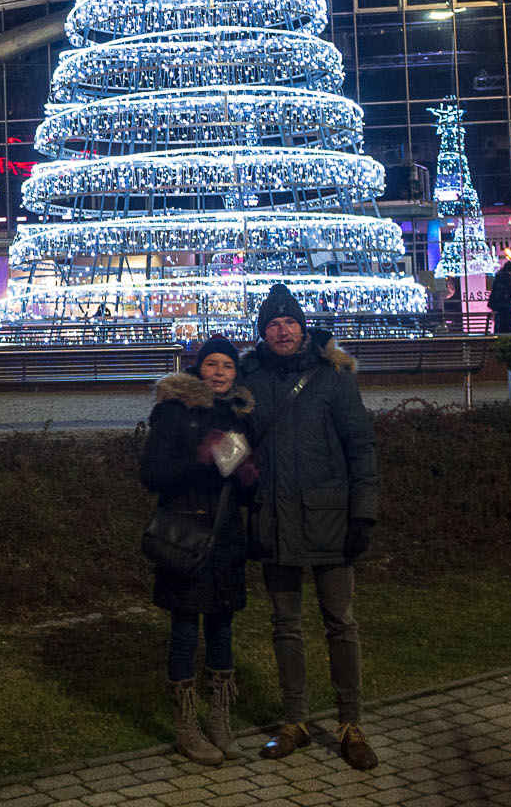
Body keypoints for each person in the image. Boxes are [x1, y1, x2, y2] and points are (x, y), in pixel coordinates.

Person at [239, 283, 380, 771]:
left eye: (289, 322)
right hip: (275, 520)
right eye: (273, 324)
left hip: (330, 520)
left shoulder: (331, 376)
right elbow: (236, 444)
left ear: (303, 327)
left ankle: (350, 724)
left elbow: (360, 445)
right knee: (286, 624)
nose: (282, 330)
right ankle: (295, 720)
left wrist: (363, 511)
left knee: (340, 622)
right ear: (262, 332)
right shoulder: (250, 378)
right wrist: (203, 453)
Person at [139, 336, 259, 767]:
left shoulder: (240, 414)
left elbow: (243, 481)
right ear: (198, 369)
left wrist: (248, 477)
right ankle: (188, 729)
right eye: (212, 364)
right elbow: (152, 473)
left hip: (225, 538)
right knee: (186, 630)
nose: (221, 372)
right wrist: (202, 458)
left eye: (228, 365)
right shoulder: (174, 411)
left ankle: (221, 724)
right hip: (186, 534)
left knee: (223, 630)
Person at [489, 261, 511, 335]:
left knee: (499, 326)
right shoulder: (510, 279)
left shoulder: (497, 279)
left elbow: (493, 292)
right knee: (508, 326)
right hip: (509, 307)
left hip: (498, 307)